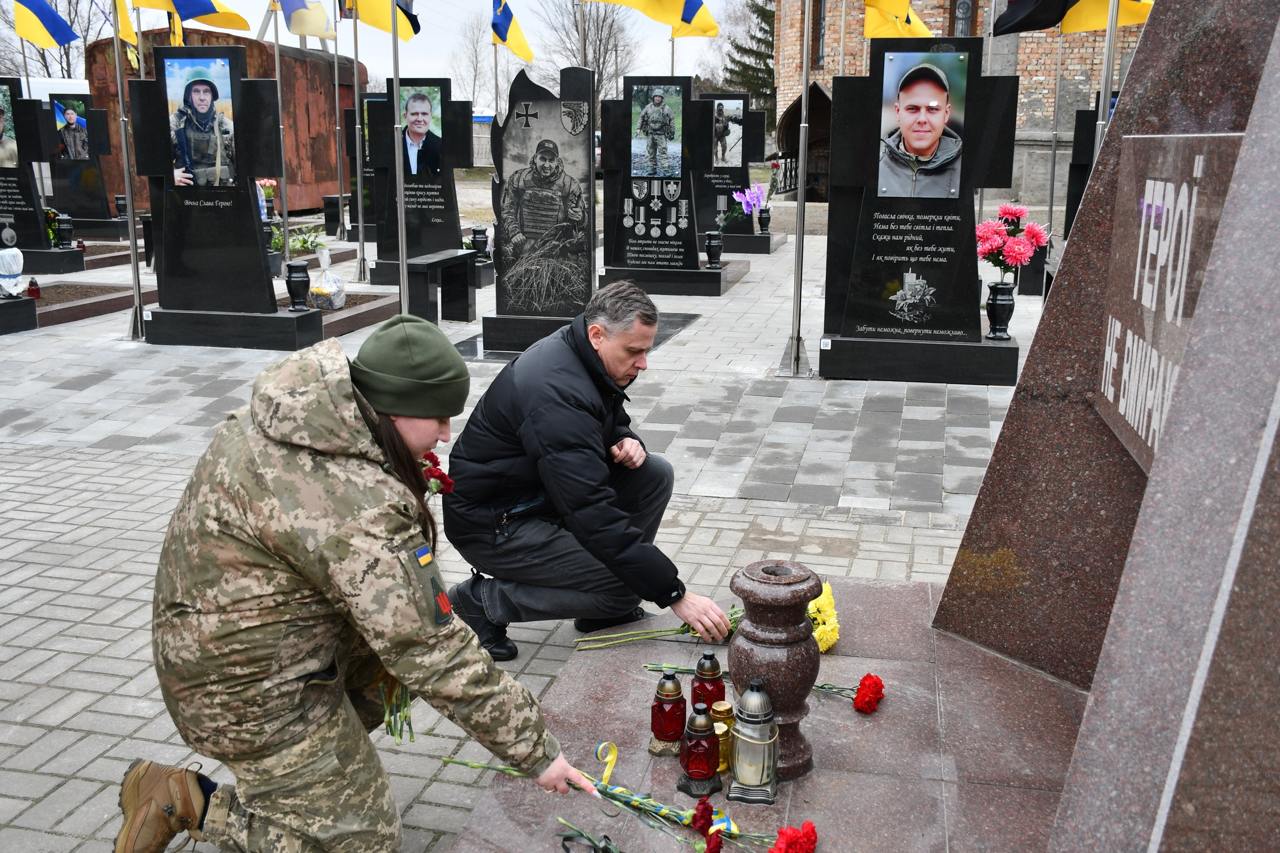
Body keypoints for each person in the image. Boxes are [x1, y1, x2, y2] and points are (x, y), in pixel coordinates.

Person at [114, 316, 592, 853]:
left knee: (396, 670)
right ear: (392, 406)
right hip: (240, 691)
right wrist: (536, 751)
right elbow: (428, 646)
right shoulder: (354, 499)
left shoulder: (306, 420)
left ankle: (305, 778)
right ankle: (186, 798)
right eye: (436, 416)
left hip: (237, 646)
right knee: (363, 843)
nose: (445, 433)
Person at [442, 282, 731, 662]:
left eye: (647, 350)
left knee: (653, 473)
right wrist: (674, 593)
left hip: (535, 500)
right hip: (494, 525)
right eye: (635, 351)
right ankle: (483, 602)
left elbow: (602, 420)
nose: (644, 363)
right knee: (626, 584)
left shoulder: (582, 355)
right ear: (597, 334)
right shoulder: (554, 391)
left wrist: (624, 436)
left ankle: (599, 605)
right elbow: (591, 509)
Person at [877, 63, 962, 199]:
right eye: (912, 109)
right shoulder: (876, 167)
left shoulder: (965, 170)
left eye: (932, 109)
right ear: (898, 112)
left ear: (946, 114)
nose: (922, 119)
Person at [499, 138, 585, 263]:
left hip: (557, 252)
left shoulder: (570, 185)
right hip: (523, 249)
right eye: (543, 159)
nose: (547, 165)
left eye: (551, 160)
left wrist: (580, 217)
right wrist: (514, 233)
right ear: (535, 158)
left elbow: (582, 222)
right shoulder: (518, 179)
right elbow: (507, 209)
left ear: (557, 161)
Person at [169, 74, 235, 187]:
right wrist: (172, 176)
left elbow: (244, 168)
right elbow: (156, 165)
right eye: (196, 91)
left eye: (206, 91)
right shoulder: (175, 124)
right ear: (188, 95)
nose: (202, 97)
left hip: (223, 200)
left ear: (212, 96)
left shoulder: (227, 128)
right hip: (185, 199)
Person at [402, 92, 441, 178]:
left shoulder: (441, 146)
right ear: (405, 116)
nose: (419, 119)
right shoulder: (393, 144)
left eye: (424, 114)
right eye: (414, 114)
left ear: (430, 116)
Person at [637, 89, 676, 176]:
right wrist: (638, 128)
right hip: (650, 133)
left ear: (662, 98)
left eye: (659, 97)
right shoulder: (648, 107)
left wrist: (672, 132)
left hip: (661, 134)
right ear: (653, 97)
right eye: (656, 96)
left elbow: (672, 120)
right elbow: (641, 117)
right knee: (650, 152)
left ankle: (666, 170)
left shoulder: (666, 108)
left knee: (663, 152)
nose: (657, 98)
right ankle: (652, 169)